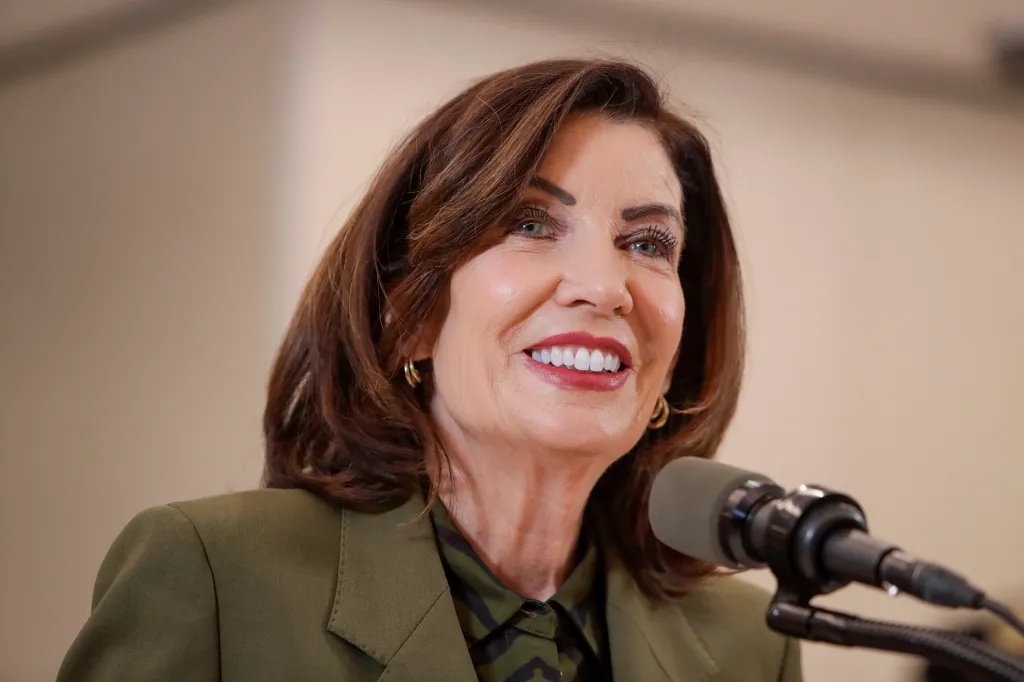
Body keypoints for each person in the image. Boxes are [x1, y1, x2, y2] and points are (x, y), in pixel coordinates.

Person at [57, 58, 802, 682]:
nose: (605, 288)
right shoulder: (215, 575)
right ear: (410, 313)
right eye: (531, 224)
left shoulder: (749, 647)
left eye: (647, 243)